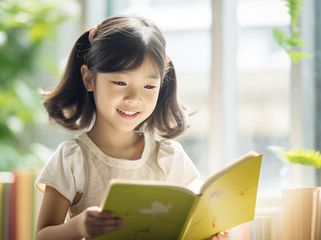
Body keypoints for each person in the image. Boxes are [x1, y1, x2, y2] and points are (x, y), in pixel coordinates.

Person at [34, 14, 229, 240]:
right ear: (89, 78)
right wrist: (78, 227)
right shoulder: (72, 159)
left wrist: (206, 234)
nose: (135, 97)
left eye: (148, 85)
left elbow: (187, 225)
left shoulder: (169, 158)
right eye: (120, 82)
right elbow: (42, 236)